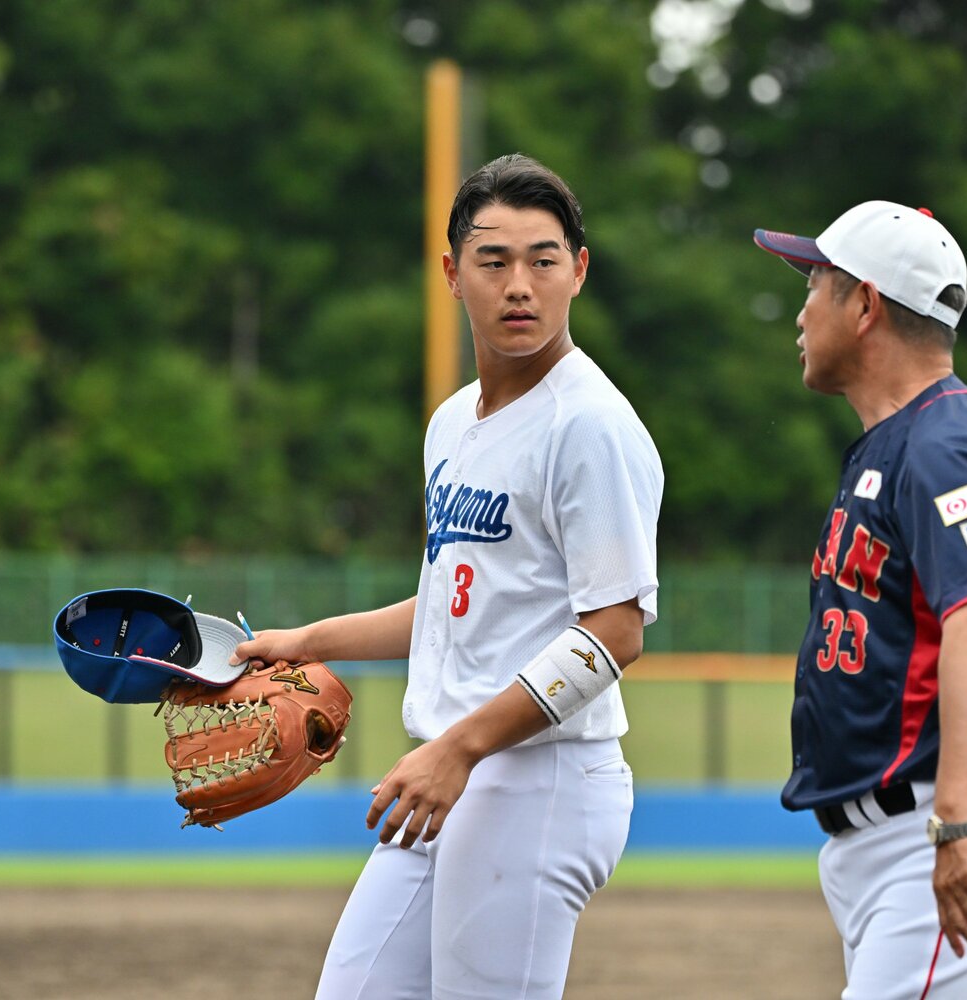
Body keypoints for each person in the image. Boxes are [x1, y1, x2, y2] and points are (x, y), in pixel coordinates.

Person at [236, 153, 663, 999]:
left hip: (535, 780)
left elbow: (616, 631)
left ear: (578, 271)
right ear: (451, 274)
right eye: (493, 260)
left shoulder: (590, 426)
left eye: (543, 260)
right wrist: (306, 641)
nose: (518, 285)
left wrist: (459, 748)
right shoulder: (452, 423)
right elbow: (452, 604)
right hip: (448, 775)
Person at [752, 202, 967, 999]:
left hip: (934, 824)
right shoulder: (902, 441)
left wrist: (957, 822)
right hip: (888, 839)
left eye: (816, 284)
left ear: (865, 305)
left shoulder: (942, 440)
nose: (800, 310)